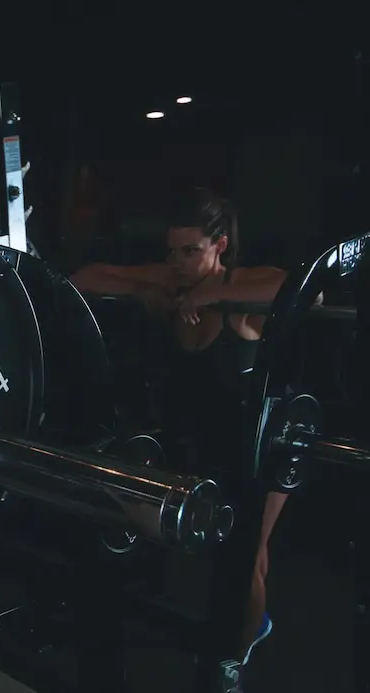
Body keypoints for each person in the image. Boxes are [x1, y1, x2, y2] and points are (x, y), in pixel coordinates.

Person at [69, 186, 295, 666]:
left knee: (246, 558)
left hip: (263, 444)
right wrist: (142, 287)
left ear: (220, 247)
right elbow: (84, 277)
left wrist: (218, 290)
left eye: (191, 252)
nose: (178, 262)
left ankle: (236, 662)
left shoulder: (239, 287)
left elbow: (299, 285)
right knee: (131, 509)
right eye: (172, 252)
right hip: (203, 443)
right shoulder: (170, 280)